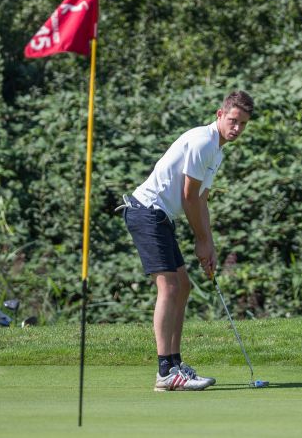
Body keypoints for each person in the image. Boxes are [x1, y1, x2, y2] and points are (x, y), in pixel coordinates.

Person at [121, 90, 253, 391]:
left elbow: (202, 199)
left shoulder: (217, 150)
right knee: (169, 286)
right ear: (220, 115)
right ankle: (165, 370)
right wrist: (201, 241)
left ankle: (176, 364)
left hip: (159, 216)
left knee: (184, 286)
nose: (237, 129)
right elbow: (188, 197)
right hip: (146, 212)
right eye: (233, 120)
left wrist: (209, 242)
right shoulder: (204, 141)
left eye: (243, 124)